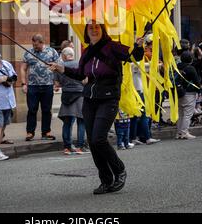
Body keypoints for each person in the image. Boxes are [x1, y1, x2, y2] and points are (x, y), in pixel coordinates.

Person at [50, 20, 144, 195]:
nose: (93, 30)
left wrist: (138, 46)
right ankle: (106, 180)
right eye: (90, 28)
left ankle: (119, 170)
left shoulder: (112, 47)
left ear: (102, 30)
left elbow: (134, 57)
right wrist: (60, 69)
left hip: (108, 98)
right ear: (86, 31)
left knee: (99, 138)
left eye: (96, 27)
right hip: (89, 100)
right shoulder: (86, 51)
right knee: (93, 142)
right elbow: (80, 74)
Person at [21, 34, 59, 141]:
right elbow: (23, 68)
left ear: (41, 42)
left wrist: (56, 82)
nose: (34, 47)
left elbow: (58, 67)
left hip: (47, 85)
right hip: (33, 86)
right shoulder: (29, 52)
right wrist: (24, 84)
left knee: (46, 110)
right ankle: (30, 132)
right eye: (33, 44)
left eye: (36, 45)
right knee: (32, 109)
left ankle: (46, 132)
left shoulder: (52, 52)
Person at [54, 47, 86, 155]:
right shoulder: (80, 65)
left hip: (67, 96)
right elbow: (85, 81)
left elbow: (57, 85)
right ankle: (80, 146)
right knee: (81, 121)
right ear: (72, 54)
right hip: (80, 95)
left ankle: (67, 147)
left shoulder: (60, 67)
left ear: (64, 55)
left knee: (67, 123)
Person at [176, 51, 200, 140]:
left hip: (178, 93)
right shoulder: (190, 68)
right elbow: (196, 82)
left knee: (181, 114)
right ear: (191, 59)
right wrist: (199, 90)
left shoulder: (177, 67)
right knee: (187, 114)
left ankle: (179, 133)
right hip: (189, 93)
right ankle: (184, 132)